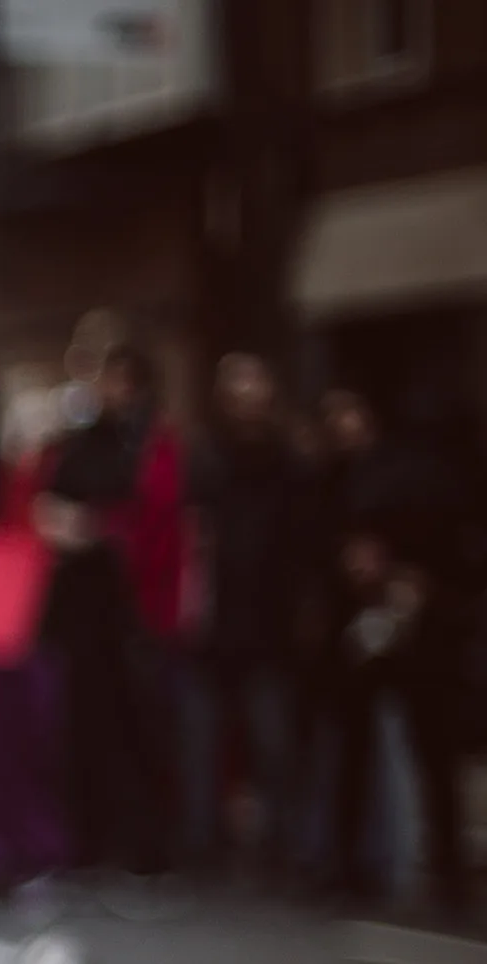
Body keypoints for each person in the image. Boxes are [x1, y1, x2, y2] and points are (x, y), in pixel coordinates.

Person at [317, 386, 473, 909]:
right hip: (356, 628)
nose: (342, 424)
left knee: (432, 748)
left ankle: (448, 868)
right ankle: (351, 864)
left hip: (416, 626)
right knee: (353, 751)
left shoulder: (416, 472)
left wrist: (410, 577)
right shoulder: (331, 478)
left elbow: (448, 540)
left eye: (349, 411)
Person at [33, 335, 182, 876]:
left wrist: (98, 526)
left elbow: (156, 519)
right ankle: (92, 840)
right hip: (85, 612)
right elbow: (46, 502)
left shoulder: (151, 444)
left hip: (136, 606)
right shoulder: (80, 444)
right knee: (86, 727)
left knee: (141, 727)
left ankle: (146, 842)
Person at [181, 353, 309, 878]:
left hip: (268, 625)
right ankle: (205, 848)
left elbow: (302, 544)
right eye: (235, 393)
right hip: (212, 625)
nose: (245, 402)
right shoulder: (204, 459)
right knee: (203, 745)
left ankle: (284, 849)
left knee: (273, 742)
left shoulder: (288, 461)